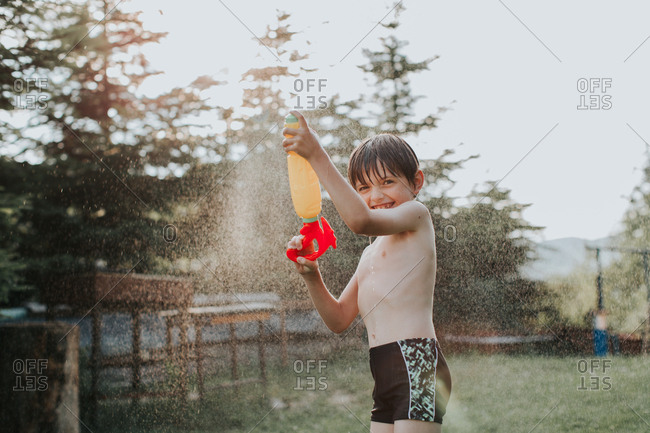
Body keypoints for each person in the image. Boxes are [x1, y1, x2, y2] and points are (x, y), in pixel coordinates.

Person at [283, 111, 452, 433]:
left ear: (416, 181)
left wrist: (316, 154)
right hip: (383, 369)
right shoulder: (368, 255)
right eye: (363, 187)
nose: (376, 196)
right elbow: (338, 319)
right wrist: (311, 275)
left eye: (387, 182)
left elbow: (361, 221)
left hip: (416, 361)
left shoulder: (417, 217)